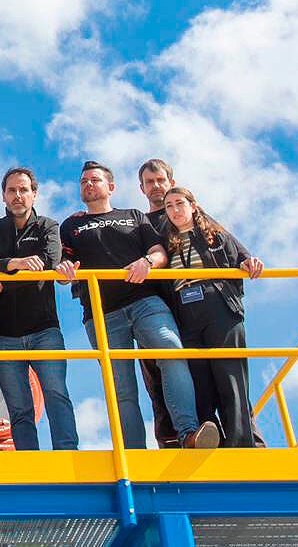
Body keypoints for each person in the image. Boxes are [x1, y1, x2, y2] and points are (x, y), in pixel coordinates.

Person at [58, 162, 218, 450]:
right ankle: (132, 453)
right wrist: (64, 269)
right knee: (121, 386)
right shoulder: (71, 225)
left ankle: (188, 434)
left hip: (144, 302)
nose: (88, 184)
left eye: (94, 180)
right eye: (83, 181)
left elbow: (159, 252)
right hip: (102, 312)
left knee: (172, 353)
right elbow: (62, 265)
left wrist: (147, 262)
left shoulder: (133, 216)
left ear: (111, 187)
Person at [0, 167, 77, 451]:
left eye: (23, 190)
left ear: (34, 194)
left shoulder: (48, 226)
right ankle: (28, 461)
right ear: (3, 195)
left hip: (44, 330)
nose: (17, 195)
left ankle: (67, 455)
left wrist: (3, 281)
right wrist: (15, 263)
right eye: (12, 190)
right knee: (19, 407)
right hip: (3, 334)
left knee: (57, 395)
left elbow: (49, 262)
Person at [161, 187, 263, 448]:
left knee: (229, 375)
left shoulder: (213, 233)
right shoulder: (166, 241)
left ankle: (240, 444)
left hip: (217, 302)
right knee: (199, 379)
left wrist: (248, 262)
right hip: (185, 309)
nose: (175, 210)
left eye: (179, 203)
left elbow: (242, 255)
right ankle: (210, 439)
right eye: (169, 206)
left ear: (193, 206)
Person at [136, 158, 179, 449]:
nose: (156, 186)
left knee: (208, 369)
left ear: (171, 182)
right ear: (142, 188)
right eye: (149, 182)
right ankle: (169, 442)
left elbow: (220, 240)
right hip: (150, 307)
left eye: (160, 180)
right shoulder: (138, 223)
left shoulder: (189, 215)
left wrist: (245, 259)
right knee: (156, 375)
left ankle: (240, 439)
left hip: (188, 306)